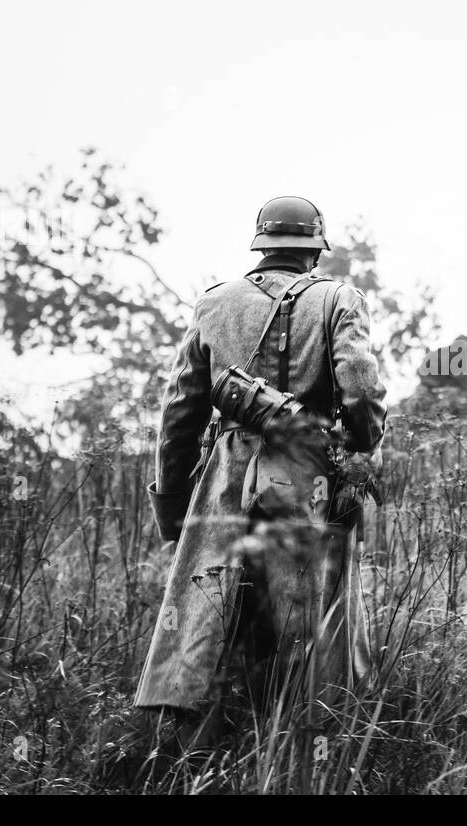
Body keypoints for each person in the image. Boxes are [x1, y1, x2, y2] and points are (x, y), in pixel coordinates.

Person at [134, 195, 387, 722]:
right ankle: (303, 735)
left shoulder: (213, 303)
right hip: (305, 473)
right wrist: (356, 449)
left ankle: (186, 741)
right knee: (307, 619)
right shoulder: (340, 299)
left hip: (223, 477)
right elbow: (361, 394)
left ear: (261, 246)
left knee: (203, 614)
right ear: (315, 250)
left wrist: (175, 507)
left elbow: (179, 413)